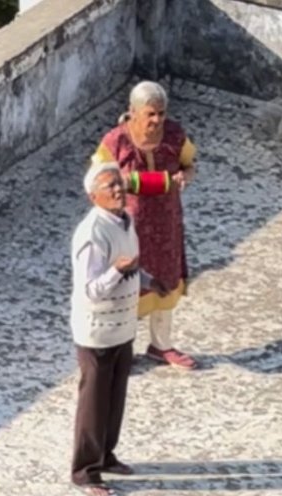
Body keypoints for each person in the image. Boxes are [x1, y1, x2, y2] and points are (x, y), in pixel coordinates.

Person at [70, 163, 167, 496]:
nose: (117, 191)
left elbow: (133, 266)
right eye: (109, 187)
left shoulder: (125, 222)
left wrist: (150, 281)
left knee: (114, 399)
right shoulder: (91, 233)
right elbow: (90, 289)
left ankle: (106, 454)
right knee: (94, 404)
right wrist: (115, 271)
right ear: (93, 195)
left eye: (119, 185)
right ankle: (85, 470)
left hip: (123, 327)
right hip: (96, 331)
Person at [91, 80, 198, 370]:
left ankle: (160, 345)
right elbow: (94, 178)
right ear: (133, 112)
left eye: (161, 113)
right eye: (150, 114)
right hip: (128, 227)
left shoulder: (175, 136)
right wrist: (119, 185)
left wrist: (185, 176)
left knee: (164, 280)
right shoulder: (116, 142)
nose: (157, 120)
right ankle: (118, 350)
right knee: (124, 284)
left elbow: (190, 164)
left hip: (165, 224)